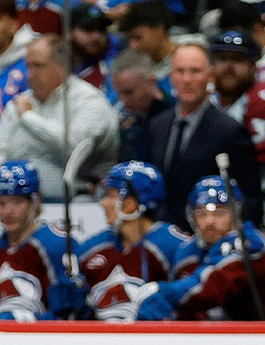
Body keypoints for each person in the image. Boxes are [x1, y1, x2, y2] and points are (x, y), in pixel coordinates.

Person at [0, 35, 119, 200]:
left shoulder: (89, 101)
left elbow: (76, 146)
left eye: (37, 66)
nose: (30, 74)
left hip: (78, 201)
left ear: (62, 67)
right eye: (28, 66)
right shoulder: (19, 104)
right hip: (16, 201)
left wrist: (28, 118)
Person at [147, 43, 262, 229]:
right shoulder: (157, 125)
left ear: (210, 76)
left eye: (195, 71)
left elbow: (250, 202)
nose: (187, 79)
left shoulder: (229, 131)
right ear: (171, 77)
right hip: (164, 238)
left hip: (208, 239)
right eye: (180, 71)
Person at [0, 161, 82, 320]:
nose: (8, 211)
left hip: (40, 340)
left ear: (34, 201)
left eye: (16, 201)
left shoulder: (55, 244)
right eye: (1, 203)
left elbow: (68, 313)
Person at [136, 175, 264, 320]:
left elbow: (212, 284)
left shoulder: (251, 243)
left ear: (236, 213)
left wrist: (165, 292)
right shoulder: (187, 251)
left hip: (253, 336)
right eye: (201, 213)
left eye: (219, 212)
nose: (209, 221)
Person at [78, 161, 190, 321]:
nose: (102, 203)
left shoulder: (173, 245)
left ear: (130, 204)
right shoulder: (93, 248)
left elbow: (194, 302)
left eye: (110, 195)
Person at [111, 49, 169, 162]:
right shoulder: (128, 122)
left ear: (151, 82)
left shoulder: (176, 117)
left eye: (129, 93)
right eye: (120, 94)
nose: (124, 101)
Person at [118, 0, 176, 99]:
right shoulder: (131, 64)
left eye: (138, 37)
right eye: (129, 39)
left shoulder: (190, 58)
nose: (133, 46)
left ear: (159, 29)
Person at [209, 30, 261, 122]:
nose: (229, 66)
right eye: (223, 58)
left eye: (238, 59)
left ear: (253, 67)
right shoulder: (204, 104)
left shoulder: (261, 105)